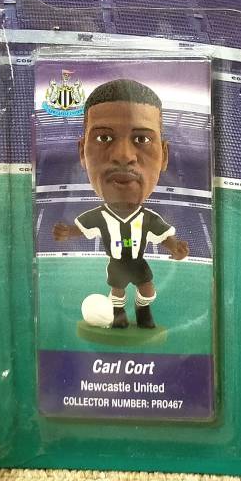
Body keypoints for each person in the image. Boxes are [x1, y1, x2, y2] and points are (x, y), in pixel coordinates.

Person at [54, 79, 189, 328]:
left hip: (137, 262)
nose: (124, 156)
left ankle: (142, 308)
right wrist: (67, 232)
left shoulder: (147, 218)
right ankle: (118, 315)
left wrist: (174, 246)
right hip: (116, 263)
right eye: (104, 137)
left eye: (142, 139)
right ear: (82, 152)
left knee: (147, 290)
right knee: (117, 292)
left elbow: (161, 235)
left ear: (164, 156)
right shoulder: (100, 215)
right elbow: (82, 228)